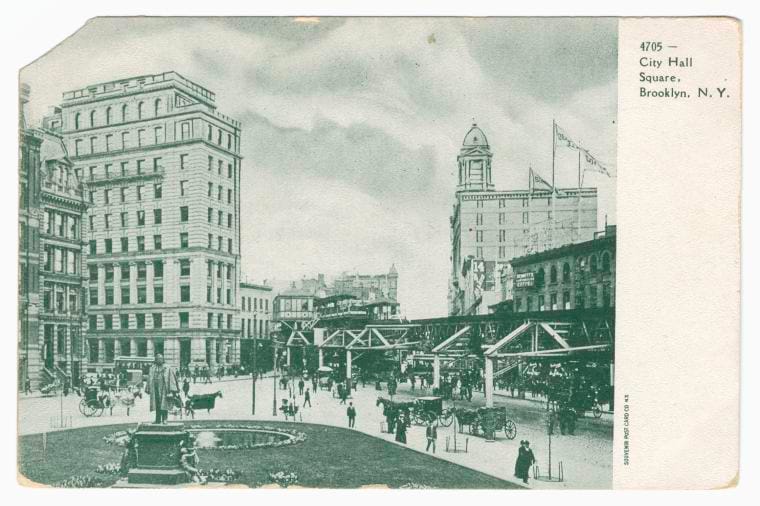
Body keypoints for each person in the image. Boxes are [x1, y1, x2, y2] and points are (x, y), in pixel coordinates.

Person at [146, 353, 179, 424]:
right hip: (155, 389)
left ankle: (165, 419)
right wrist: (148, 388)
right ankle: (157, 420)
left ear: (163, 359)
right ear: (155, 360)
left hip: (165, 389)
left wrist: (172, 390)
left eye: (161, 358)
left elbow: (172, 379)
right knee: (157, 405)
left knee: (164, 405)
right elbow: (149, 378)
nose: (159, 360)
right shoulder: (152, 368)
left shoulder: (167, 368)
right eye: (158, 359)